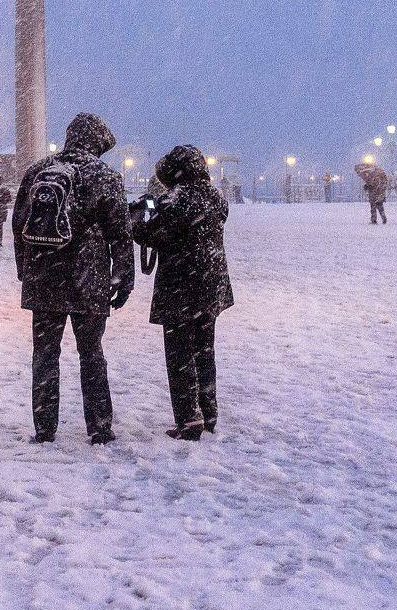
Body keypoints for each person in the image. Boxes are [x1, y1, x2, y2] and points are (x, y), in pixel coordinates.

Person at [13, 113, 134, 445]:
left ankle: (44, 428)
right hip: (88, 279)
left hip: (43, 277)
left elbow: (19, 223)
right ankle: (99, 426)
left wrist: (25, 269)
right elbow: (120, 233)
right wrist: (123, 278)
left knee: (45, 354)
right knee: (91, 352)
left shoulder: (38, 171)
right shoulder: (104, 175)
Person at [131, 145, 234, 441]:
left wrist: (138, 216)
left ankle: (189, 420)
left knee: (179, 355)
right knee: (204, 351)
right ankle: (209, 413)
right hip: (211, 286)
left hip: (180, 287)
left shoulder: (176, 200)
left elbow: (151, 234)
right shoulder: (215, 198)